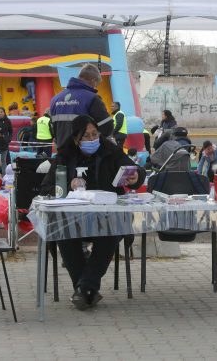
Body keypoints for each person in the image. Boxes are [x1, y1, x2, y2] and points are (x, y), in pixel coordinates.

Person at [40, 115, 145, 310]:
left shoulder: (110, 149)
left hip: (107, 216)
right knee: (64, 235)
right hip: (74, 218)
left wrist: (136, 176)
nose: (91, 139)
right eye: (86, 136)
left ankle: (84, 289)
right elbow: (46, 188)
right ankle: (87, 290)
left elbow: (134, 168)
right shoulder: (65, 154)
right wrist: (67, 185)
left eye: (94, 134)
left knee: (112, 233)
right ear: (76, 139)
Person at [50, 63, 114, 147]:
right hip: (85, 153)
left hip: (63, 153)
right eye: (96, 84)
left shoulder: (55, 99)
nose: (95, 87)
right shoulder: (91, 98)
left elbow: (52, 128)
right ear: (93, 80)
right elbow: (107, 126)